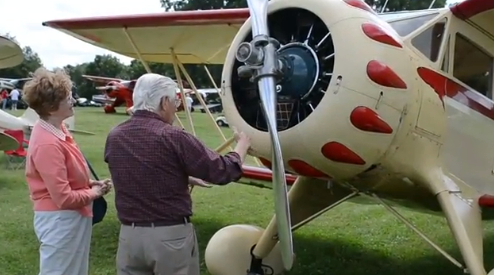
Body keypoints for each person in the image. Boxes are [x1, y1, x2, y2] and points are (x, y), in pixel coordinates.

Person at [104, 73, 251, 275]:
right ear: (164, 102)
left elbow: (137, 168)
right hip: (170, 237)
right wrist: (241, 146)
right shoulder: (173, 136)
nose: (177, 107)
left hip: (129, 237)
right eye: (175, 101)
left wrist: (181, 176)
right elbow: (222, 171)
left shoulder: (115, 136)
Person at [23, 67, 113, 275]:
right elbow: (62, 197)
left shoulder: (57, 129)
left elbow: (65, 177)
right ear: (52, 107)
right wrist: (95, 193)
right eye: (69, 97)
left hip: (69, 217)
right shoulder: (48, 143)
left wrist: (90, 183)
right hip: (60, 220)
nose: (73, 100)